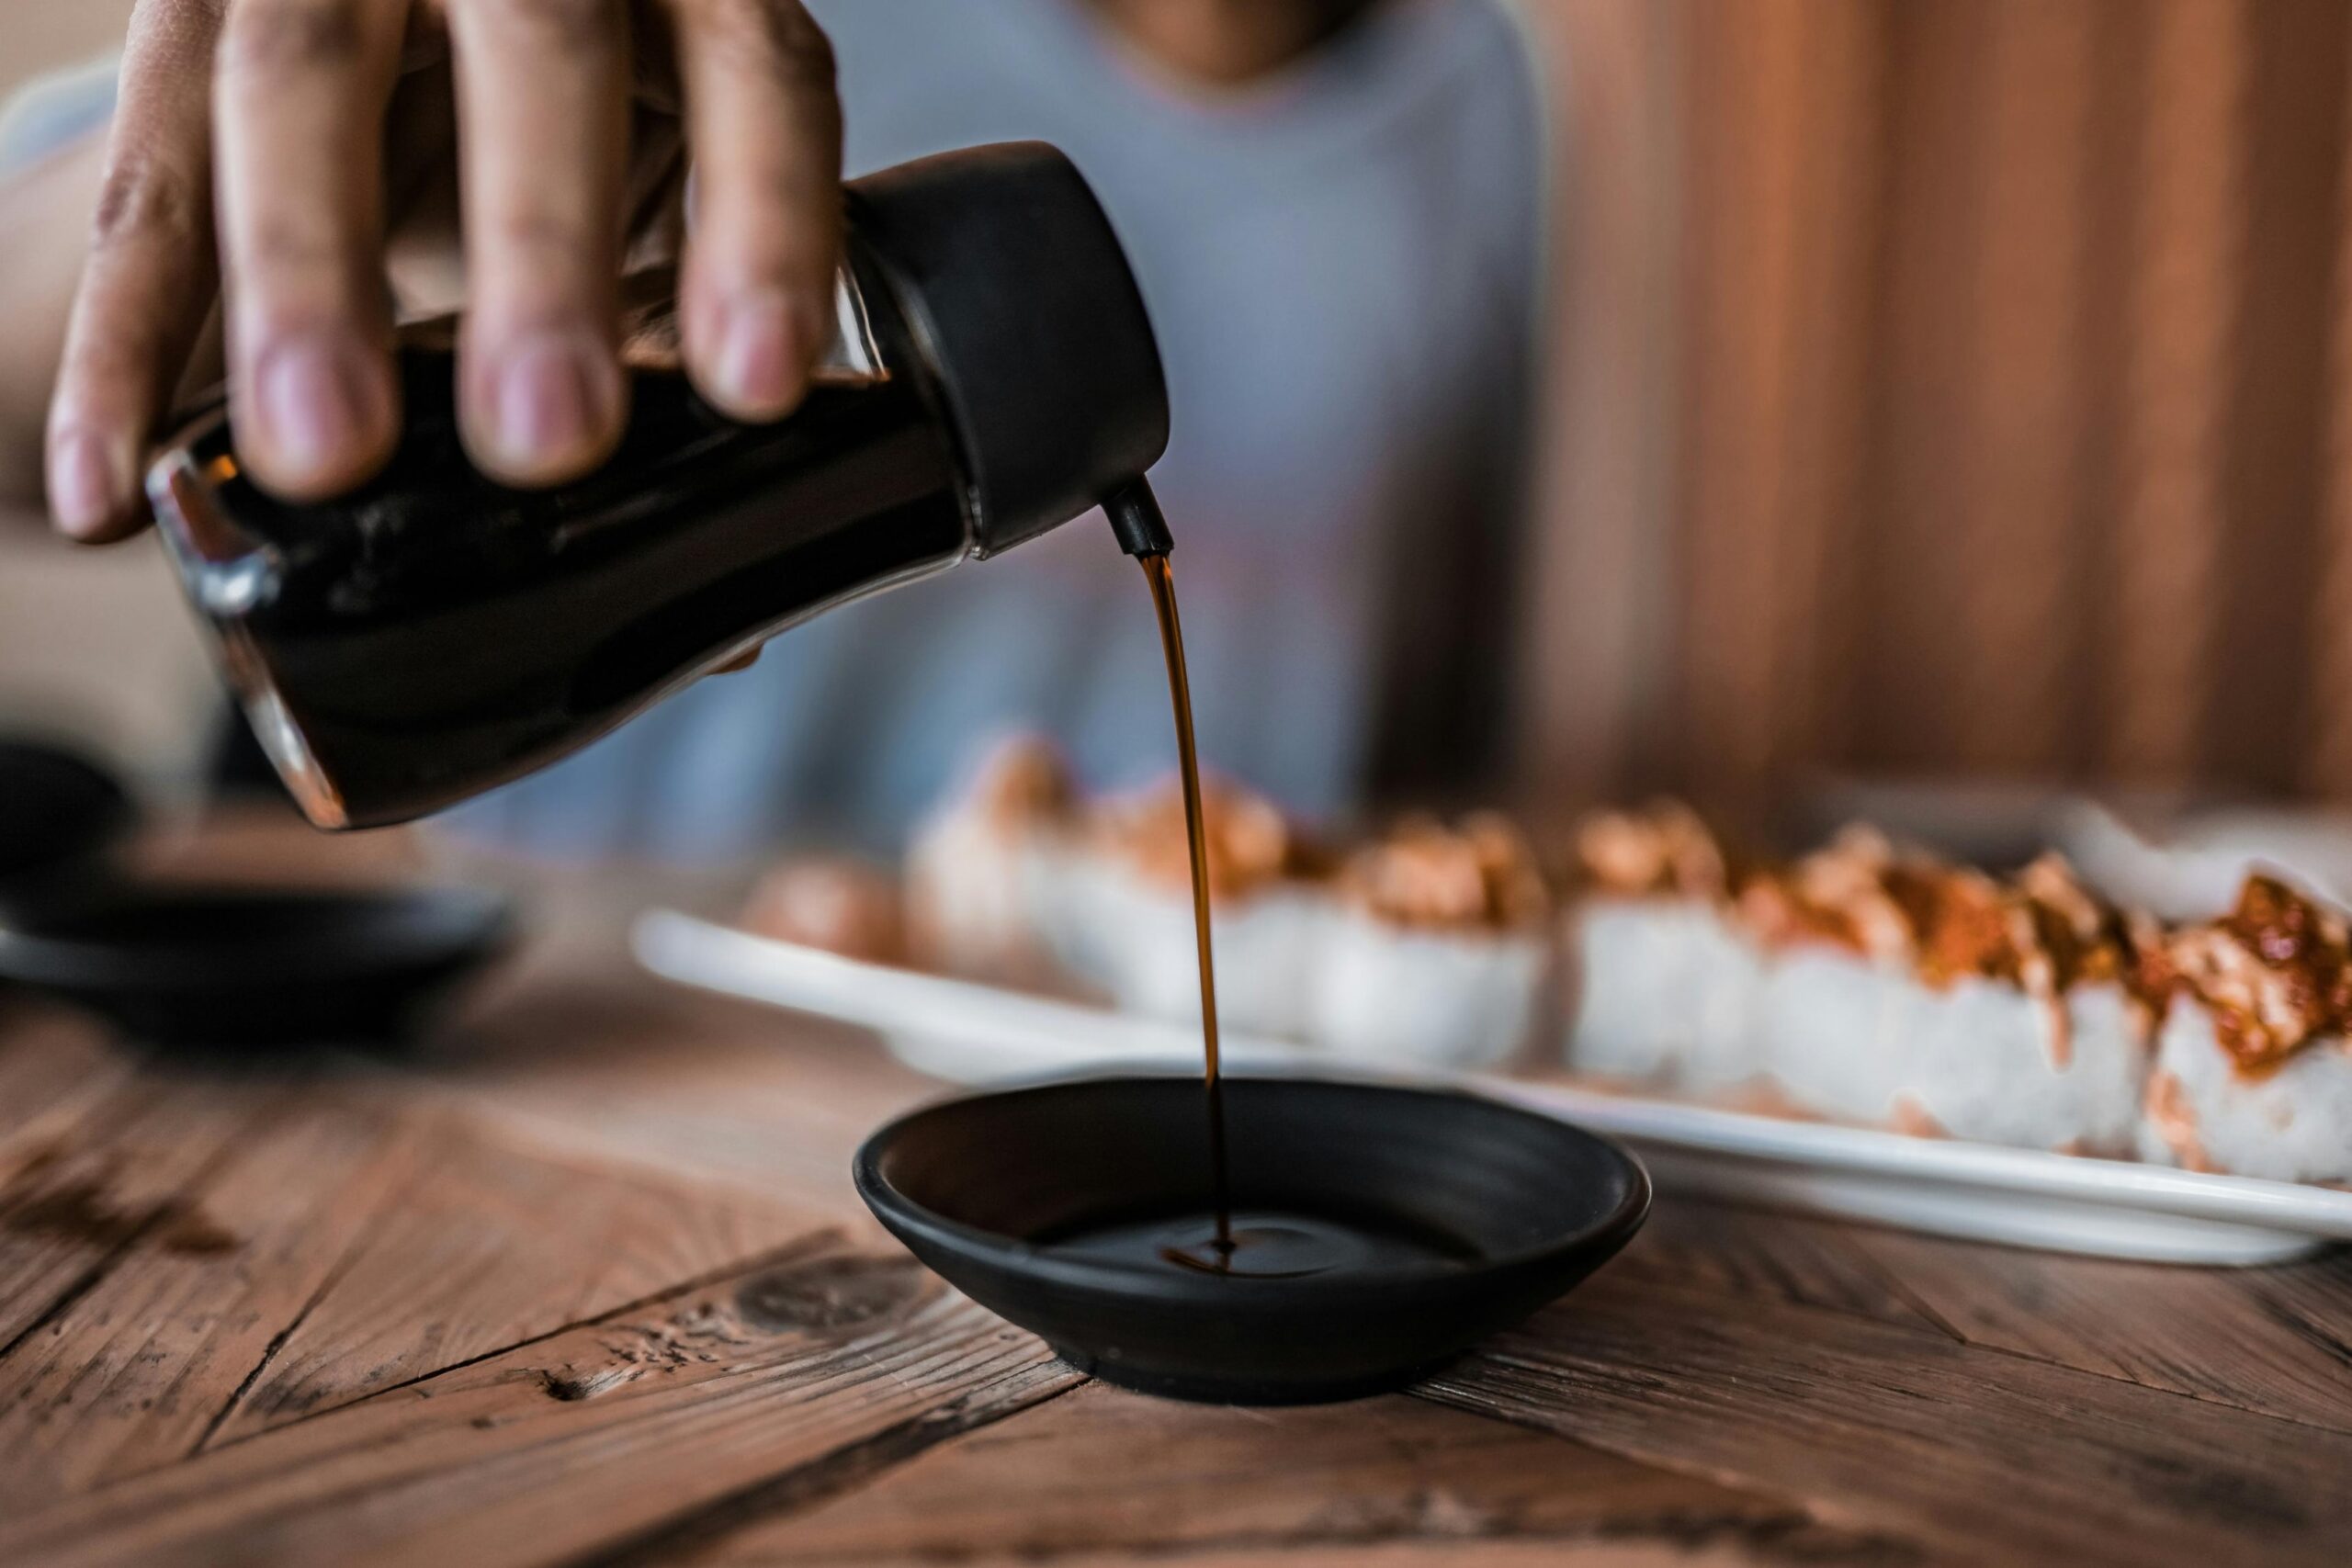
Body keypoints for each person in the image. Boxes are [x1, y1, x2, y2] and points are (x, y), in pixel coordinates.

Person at [0, 0, 1542, 857]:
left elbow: (1454, 691)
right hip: (567, 1044)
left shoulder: (1499, 103)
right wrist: (277, 264)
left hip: (1132, 1071)